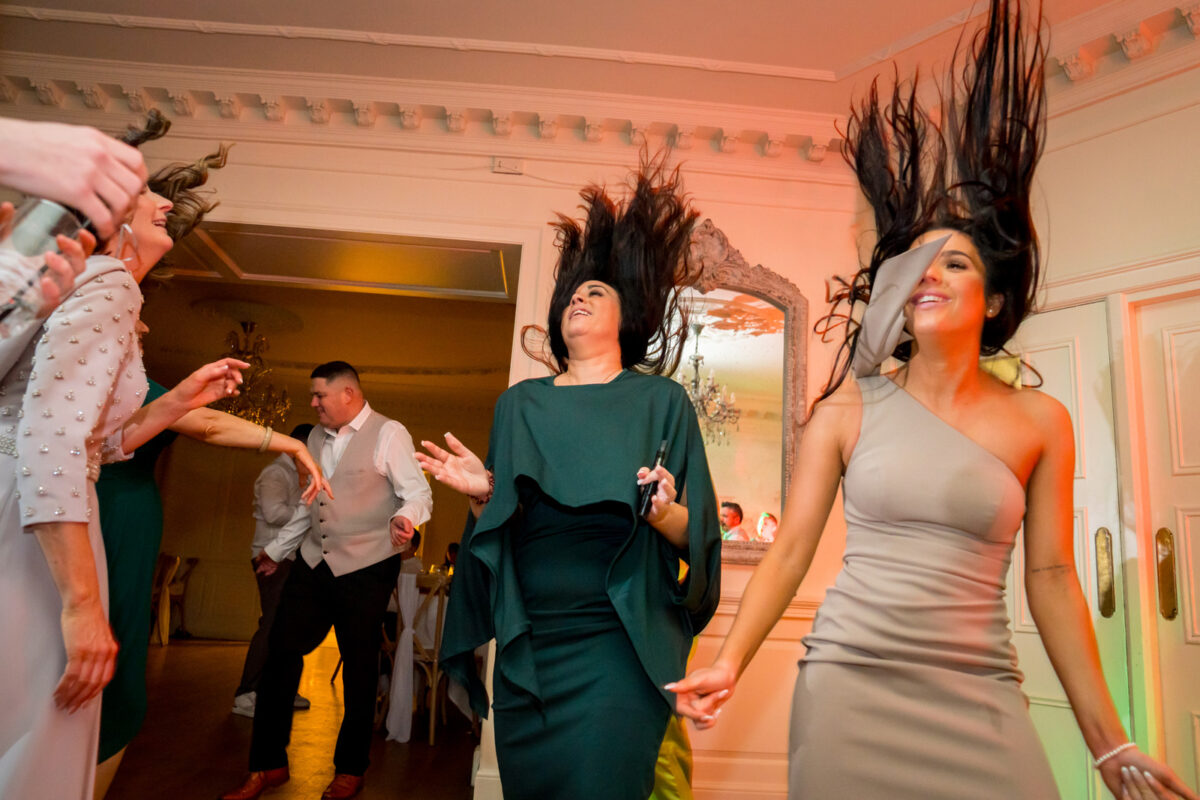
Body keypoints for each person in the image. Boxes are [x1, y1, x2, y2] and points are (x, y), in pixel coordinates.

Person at [669, 3, 1199, 799]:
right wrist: (728, 661)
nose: (930, 275)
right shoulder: (849, 407)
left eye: (955, 265)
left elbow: (1051, 577)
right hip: (850, 689)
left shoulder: (1038, 422)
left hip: (980, 694)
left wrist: (1107, 743)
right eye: (918, 263)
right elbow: (791, 551)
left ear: (991, 304)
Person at [415, 157, 722, 800]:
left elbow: (698, 535)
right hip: (534, 648)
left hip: (618, 642)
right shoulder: (520, 404)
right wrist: (483, 499)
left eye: (596, 294)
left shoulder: (661, 402)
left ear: (627, 316)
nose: (578, 300)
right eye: (573, 297)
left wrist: (663, 511)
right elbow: (501, 531)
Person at [0, 125, 249, 798]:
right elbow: (50, 441)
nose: (159, 199)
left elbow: (97, 442)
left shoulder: (89, 282)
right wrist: (83, 606)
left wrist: (177, 402)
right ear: (107, 222)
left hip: (18, 507)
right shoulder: (109, 283)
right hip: (31, 526)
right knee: (39, 731)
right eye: (139, 192)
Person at [221, 361, 432, 800]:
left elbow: (418, 492)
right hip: (314, 563)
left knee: (359, 669)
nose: (313, 403)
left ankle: (351, 770)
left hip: (368, 566)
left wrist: (404, 518)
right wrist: (277, 552)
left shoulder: (389, 433)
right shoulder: (314, 438)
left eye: (319, 395)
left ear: (349, 395)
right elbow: (308, 504)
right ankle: (268, 765)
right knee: (279, 652)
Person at [231, 423, 317, 720]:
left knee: (289, 627)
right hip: (271, 557)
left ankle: (281, 688)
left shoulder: (299, 476)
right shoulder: (275, 474)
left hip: (292, 559)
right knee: (271, 625)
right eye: (310, 447)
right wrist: (310, 516)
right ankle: (246, 694)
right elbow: (273, 513)